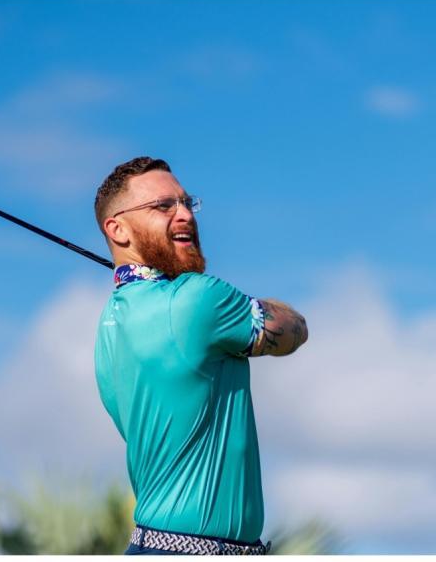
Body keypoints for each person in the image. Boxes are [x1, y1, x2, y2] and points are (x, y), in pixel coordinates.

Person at [93, 157, 308, 556]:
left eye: (187, 202)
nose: (185, 215)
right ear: (117, 229)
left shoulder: (110, 321)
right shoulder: (198, 297)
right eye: (163, 206)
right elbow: (295, 330)